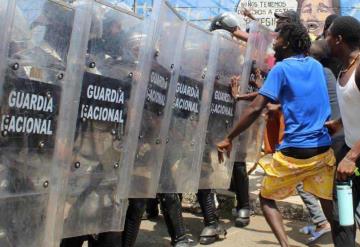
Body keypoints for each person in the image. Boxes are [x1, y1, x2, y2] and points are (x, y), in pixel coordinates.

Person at [217, 22, 336, 247]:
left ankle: (284, 244)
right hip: (322, 147)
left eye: (279, 39)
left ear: (289, 43)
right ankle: (343, 240)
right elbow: (299, 99)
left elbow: (255, 109)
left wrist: (229, 137)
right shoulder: (316, 66)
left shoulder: (281, 69)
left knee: (266, 198)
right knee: (327, 199)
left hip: (294, 150)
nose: (275, 43)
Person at [325, 16, 360, 247]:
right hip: (349, 150)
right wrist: (340, 121)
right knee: (342, 218)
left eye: (327, 35)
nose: (324, 39)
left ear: (338, 39)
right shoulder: (343, 68)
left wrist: (352, 155)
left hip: (354, 155)